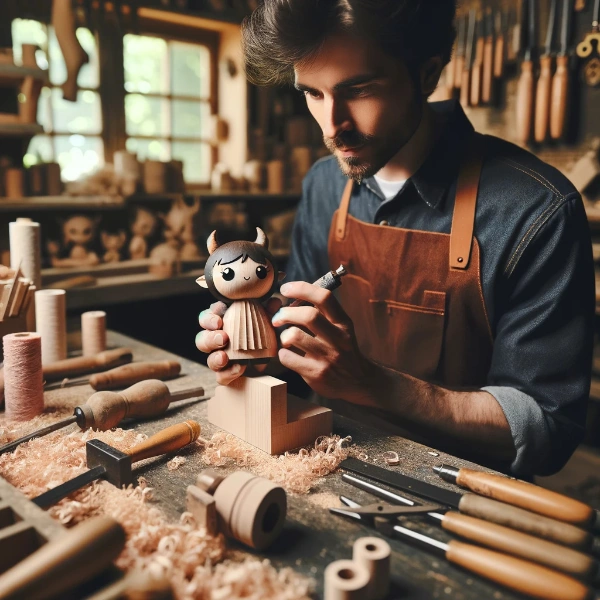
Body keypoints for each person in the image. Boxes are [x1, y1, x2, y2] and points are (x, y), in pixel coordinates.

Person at [196, 0, 595, 478]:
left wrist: (374, 384)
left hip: (467, 494)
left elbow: (546, 428)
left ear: (426, 76)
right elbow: (293, 342)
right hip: (326, 466)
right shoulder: (324, 184)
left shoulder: (535, 209)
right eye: (313, 94)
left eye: (358, 89)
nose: (332, 125)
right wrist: (255, 352)